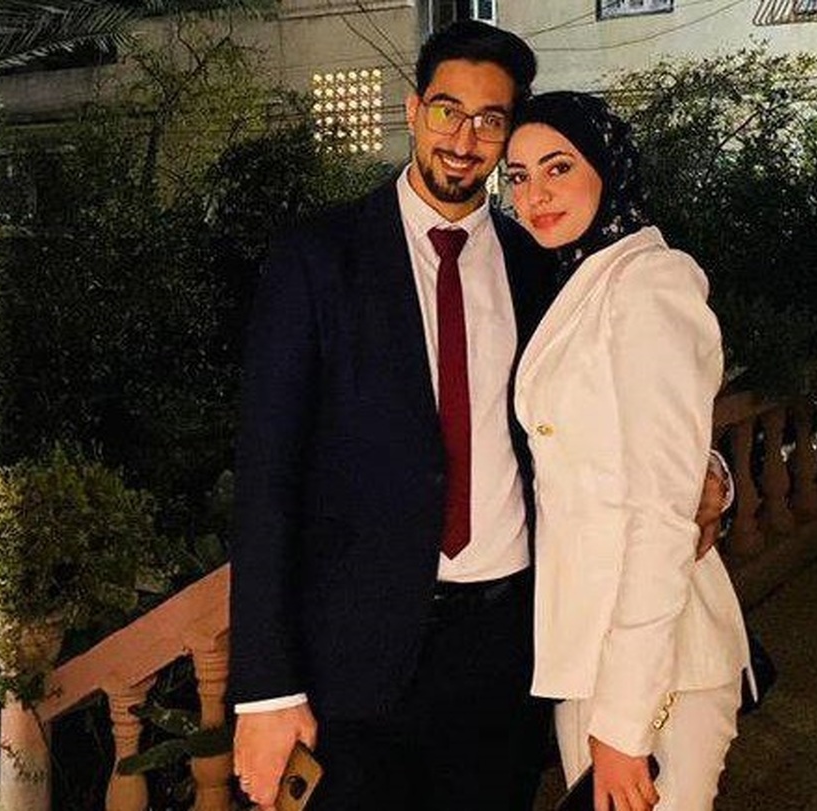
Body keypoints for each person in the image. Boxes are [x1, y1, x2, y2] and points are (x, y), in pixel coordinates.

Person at [228, 23, 729, 811]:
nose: (464, 140)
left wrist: (709, 469)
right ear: (412, 111)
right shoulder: (318, 258)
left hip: (506, 651)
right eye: (446, 111)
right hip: (355, 657)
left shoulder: (543, 264)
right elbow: (265, 478)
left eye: (490, 120)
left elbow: (623, 410)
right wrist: (265, 689)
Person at [504, 91, 752, 811]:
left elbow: (661, 512)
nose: (535, 194)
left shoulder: (648, 283)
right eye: (518, 176)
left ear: (606, 169)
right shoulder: (575, 280)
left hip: (657, 670)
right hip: (589, 656)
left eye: (558, 167)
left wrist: (621, 722)